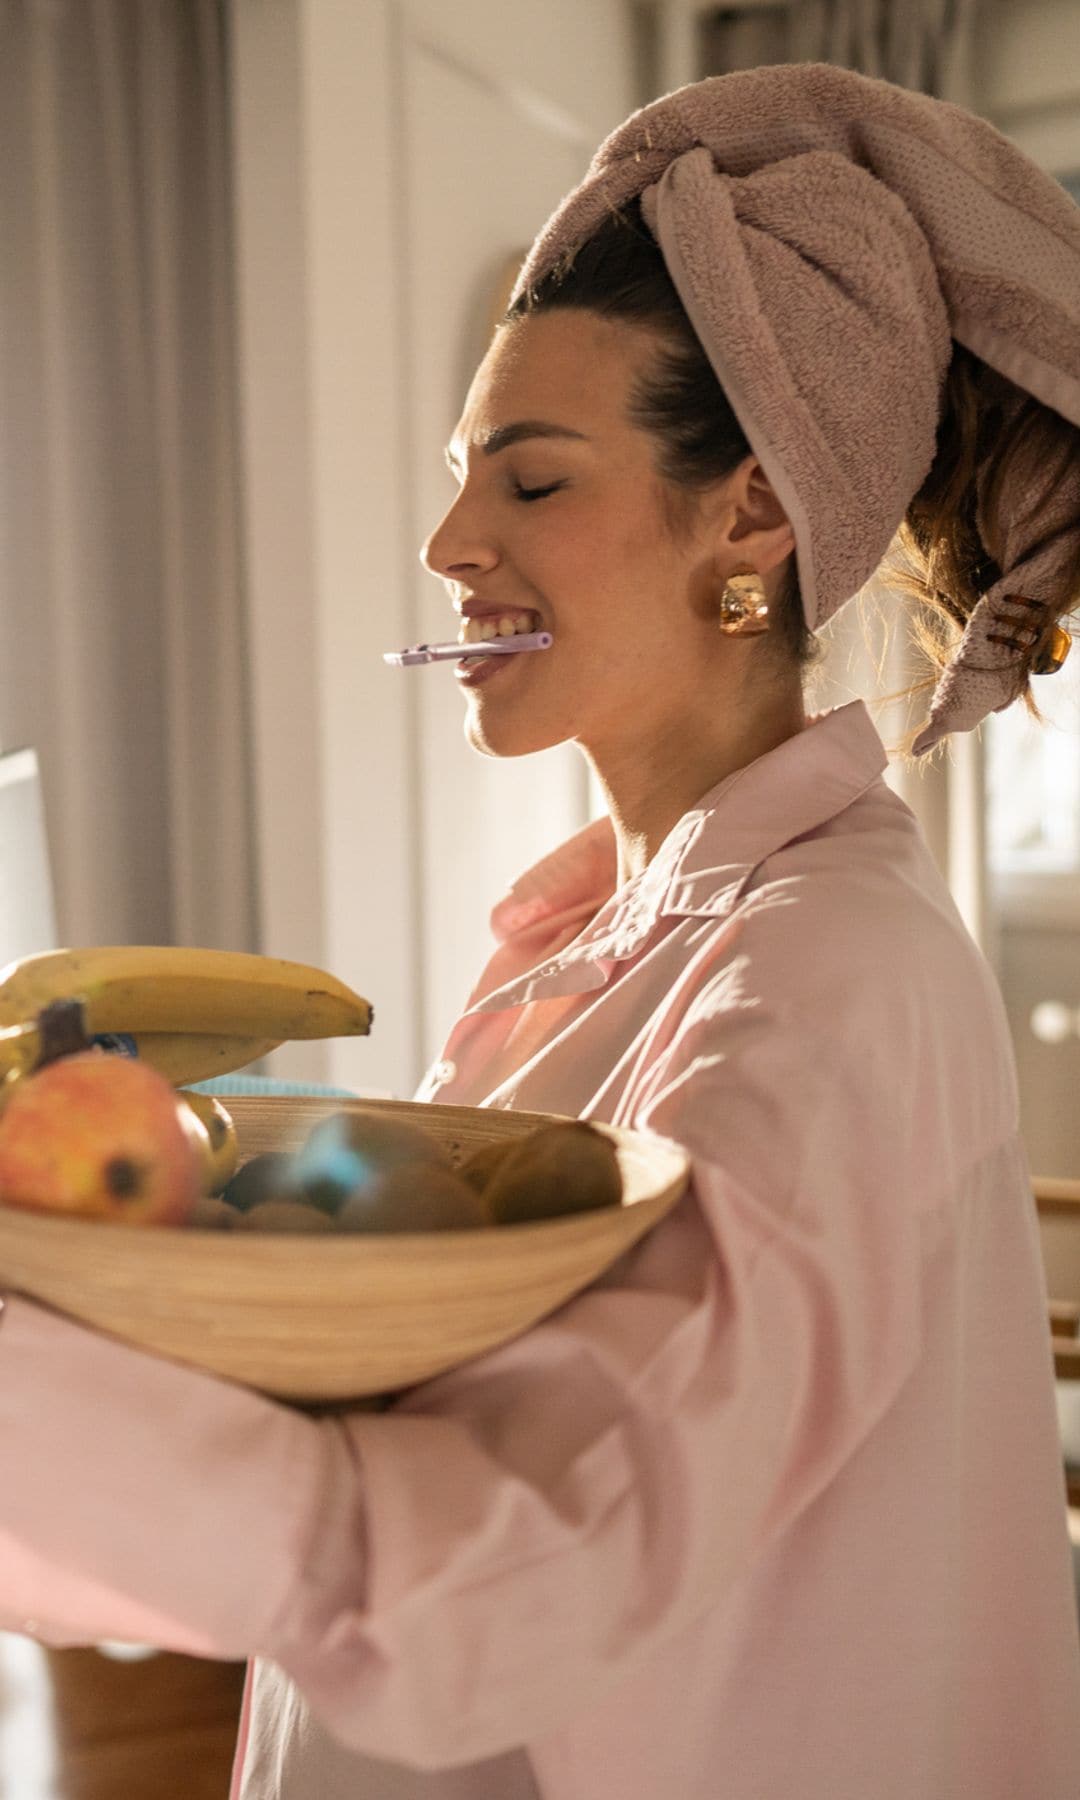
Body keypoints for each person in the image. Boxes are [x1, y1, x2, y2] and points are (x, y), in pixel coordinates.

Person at [1, 60, 1080, 1800]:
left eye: (532, 482)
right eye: (460, 477)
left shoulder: (834, 972)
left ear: (750, 515)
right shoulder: (599, 933)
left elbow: (534, 1545)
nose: (447, 542)